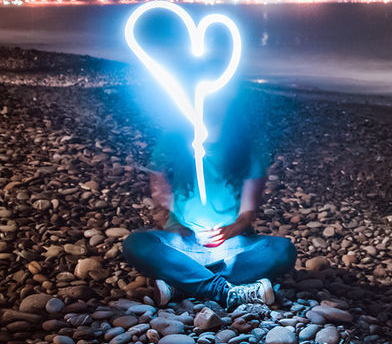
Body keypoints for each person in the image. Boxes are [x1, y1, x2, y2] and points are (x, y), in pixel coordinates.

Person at [123, 85, 295, 308]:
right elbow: (159, 191)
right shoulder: (173, 142)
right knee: (136, 244)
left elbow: (247, 213)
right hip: (183, 243)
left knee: (283, 250)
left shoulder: (249, 149)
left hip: (230, 245)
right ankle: (225, 291)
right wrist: (175, 226)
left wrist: (227, 232)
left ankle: (181, 284)